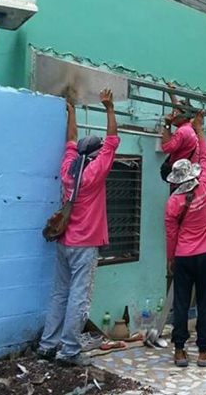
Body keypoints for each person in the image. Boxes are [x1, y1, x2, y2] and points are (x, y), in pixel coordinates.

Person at [38, 89, 120, 366]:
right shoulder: (94, 174)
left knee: (60, 293)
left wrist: (71, 111)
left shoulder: (68, 168)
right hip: (84, 246)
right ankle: (69, 350)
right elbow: (112, 141)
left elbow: (70, 139)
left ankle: (48, 345)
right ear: (94, 155)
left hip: (64, 242)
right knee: (78, 296)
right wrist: (109, 108)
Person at [165, 110, 206, 368]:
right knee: (205, 302)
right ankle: (203, 352)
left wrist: (170, 260)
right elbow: (205, 157)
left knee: (180, 303)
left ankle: (179, 351)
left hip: (183, 256)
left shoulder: (173, 202)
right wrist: (200, 130)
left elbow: (171, 234)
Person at [161, 83, 199, 167]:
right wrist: (171, 93)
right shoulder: (189, 128)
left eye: (175, 113)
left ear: (184, 116)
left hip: (181, 174)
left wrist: (167, 125)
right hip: (188, 170)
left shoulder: (183, 131)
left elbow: (167, 148)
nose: (173, 115)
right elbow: (179, 108)